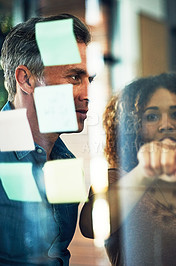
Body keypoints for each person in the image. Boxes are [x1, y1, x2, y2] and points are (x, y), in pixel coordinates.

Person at [79, 72, 176, 265]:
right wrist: (146, 171)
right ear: (133, 126)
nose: (166, 125)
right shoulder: (116, 180)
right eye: (152, 116)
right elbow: (91, 227)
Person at [0, 14, 91, 265]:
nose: (86, 94)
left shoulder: (66, 161)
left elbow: (58, 255)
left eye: (88, 79)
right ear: (26, 80)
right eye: (74, 77)